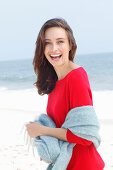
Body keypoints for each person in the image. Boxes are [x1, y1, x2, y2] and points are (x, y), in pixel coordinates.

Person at [26, 18, 105, 170]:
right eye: (47, 43)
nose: (53, 48)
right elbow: (62, 126)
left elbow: (84, 135)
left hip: (84, 165)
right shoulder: (55, 80)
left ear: (70, 45)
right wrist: (50, 145)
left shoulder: (76, 77)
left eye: (60, 41)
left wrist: (42, 130)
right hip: (66, 163)